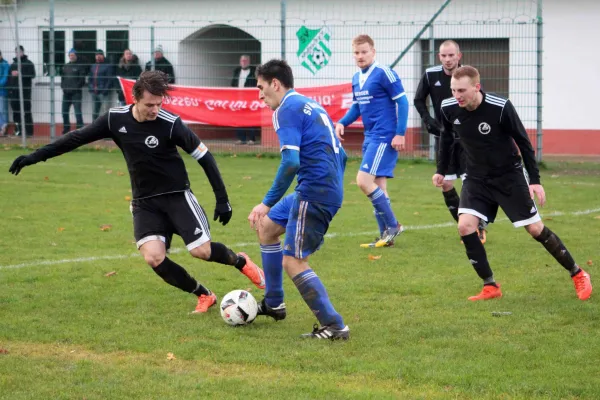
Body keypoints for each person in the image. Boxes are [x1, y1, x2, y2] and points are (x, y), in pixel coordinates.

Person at [9, 70, 266, 313]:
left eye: (159, 104)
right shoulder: (114, 119)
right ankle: (204, 294)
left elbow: (205, 157)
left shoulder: (171, 123)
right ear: (135, 98)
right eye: (149, 105)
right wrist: (34, 157)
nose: (155, 110)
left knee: (201, 252)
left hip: (177, 196)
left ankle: (240, 261)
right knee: (154, 258)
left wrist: (222, 199)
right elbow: (76, 138)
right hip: (145, 202)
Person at [433, 65, 592, 301]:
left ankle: (577, 273)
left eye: (461, 90)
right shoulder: (449, 108)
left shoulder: (500, 107)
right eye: (453, 90)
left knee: (535, 229)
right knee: (465, 226)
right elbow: (446, 137)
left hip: (508, 176)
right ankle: (490, 286)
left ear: (477, 87)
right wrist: (442, 170)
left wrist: (535, 181)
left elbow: (523, 142)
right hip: (476, 177)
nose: (456, 96)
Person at [248, 59, 350, 340]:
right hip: (322, 188)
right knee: (266, 228)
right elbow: (343, 155)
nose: (259, 94)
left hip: (314, 192)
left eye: (261, 87)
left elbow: (291, 161)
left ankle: (335, 325)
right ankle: (274, 303)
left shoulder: (285, 109)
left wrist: (266, 201)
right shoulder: (310, 105)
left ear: (275, 84)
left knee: (293, 261)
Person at [335, 34, 409, 248]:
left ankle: (393, 225)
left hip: (384, 136)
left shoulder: (384, 73)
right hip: (370, 136)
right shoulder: (356, 77)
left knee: (363, 181)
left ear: (373, 52)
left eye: (364, 52)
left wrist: (400, 133)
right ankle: (386, 236)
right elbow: (357, 106)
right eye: (356, 53)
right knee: (378, 185)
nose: (360, 56)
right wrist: (342, 122)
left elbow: (402, 102)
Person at [414, 40, 488, 244]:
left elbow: (481, 101)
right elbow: (418, 100)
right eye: (444, 56)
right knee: (445, 183)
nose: (447, 59)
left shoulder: (467, 78)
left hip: (466, 140)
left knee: (468, 183)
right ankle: (466, 227)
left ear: (459, 56)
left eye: (451, 56)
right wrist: (428, 120)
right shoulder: (431, 75)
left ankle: (479, 227)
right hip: (444, 138)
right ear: (439, 57)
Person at [7, 45, 35, 137]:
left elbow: (32, 75)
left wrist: (20, 74)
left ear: (23, 52)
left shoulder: (29, 63)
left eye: (19, 51)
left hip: (25, 92)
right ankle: (18, 131)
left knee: (26, 112)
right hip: (14, 93)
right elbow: (9, 79)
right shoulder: (13, 65)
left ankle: (29, 132)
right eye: (16, 52)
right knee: (16, 113)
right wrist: (10, 90)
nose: (18, 53)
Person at [231, 55, 258, 145]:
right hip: (238, 98)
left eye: (245, 60)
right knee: (239, 118)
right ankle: (241, 138)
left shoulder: (253, 71)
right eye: (242, 60)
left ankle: (251, 139)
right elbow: (233, 83)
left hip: (250, 99)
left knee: (251, 118)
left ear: (249, 61)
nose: (244, 62)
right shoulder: (237, 71)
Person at [60, 48, 86, 134]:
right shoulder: (65, 66)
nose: (71, 57)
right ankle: (66, 129)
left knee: (77, 112)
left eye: (73, 55)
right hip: (66, 93)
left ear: (76, 56)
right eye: (70, 55)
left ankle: (80, 130)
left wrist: (75, 88)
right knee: (64, 112)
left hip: (76, 93)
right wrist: (63, 88)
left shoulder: (80, 67)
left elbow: (82, 80)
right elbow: (62, 79)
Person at [88, 49, 115, 121]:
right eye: (97, 55)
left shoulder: (108, 66)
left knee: (105, 112)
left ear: (103, 56)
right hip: (94, 92)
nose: (98, 56)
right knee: (94, 112)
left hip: (103, 93)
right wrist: (91, 88)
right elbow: (90, 78)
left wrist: (105, 90)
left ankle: (105, 128)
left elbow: (110, 79)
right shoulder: (93, 66)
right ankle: (94, 128)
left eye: (100, 55)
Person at [0, 50, 8, 136]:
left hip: (2, 92)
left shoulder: (5, 64)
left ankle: (4, 128)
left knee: (2, 111)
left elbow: (5, 78)